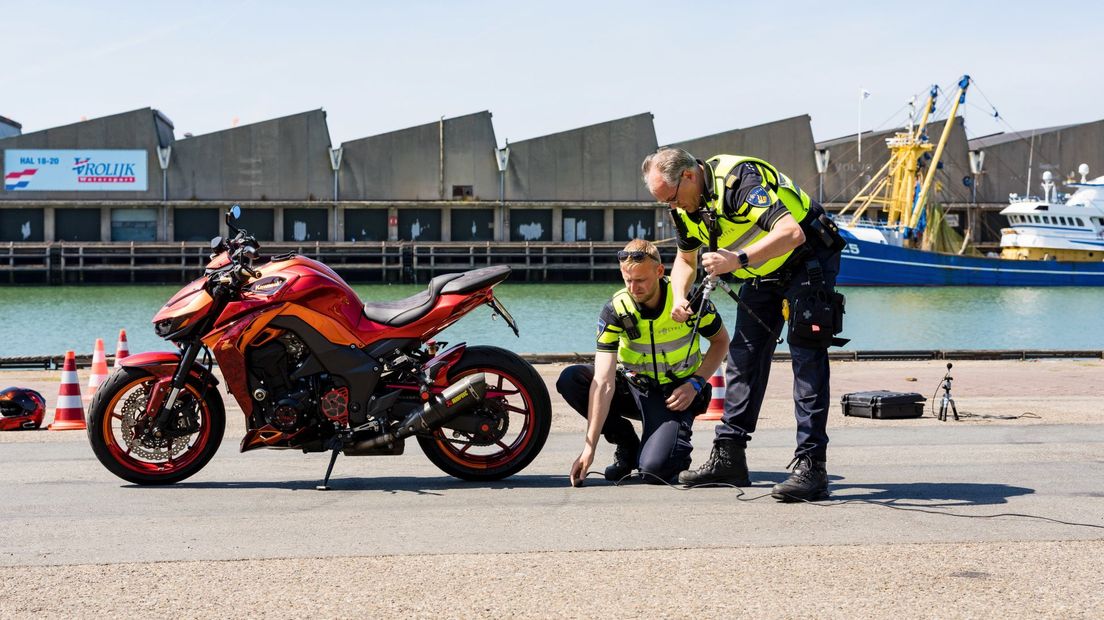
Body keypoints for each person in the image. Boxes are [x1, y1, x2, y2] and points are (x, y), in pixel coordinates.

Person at [641, 147, 847, 501]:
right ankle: (729, 456)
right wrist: (677, 295)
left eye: (672, 199)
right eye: (665, 203)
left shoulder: (738, 181)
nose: (672, 208)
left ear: (689, 176)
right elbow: (686, 260)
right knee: (743, 357)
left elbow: (791, 232)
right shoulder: (684, 207)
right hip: (761, 268)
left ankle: (812, 467)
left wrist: (736, 259)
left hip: (807, 257)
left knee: (806, 358)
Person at [560, 239, 729, 487]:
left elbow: (721, 342)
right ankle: (627, 443)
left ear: (659, 272)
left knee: (653, 471)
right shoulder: (616, 309)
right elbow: (604, 382)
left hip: (678, 394)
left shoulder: (687, 300)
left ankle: (666, 448)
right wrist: (589, 449)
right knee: (572, 379)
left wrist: (695, 383)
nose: (633, 287)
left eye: (640, 280)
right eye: (627, 280)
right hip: (636, 388)